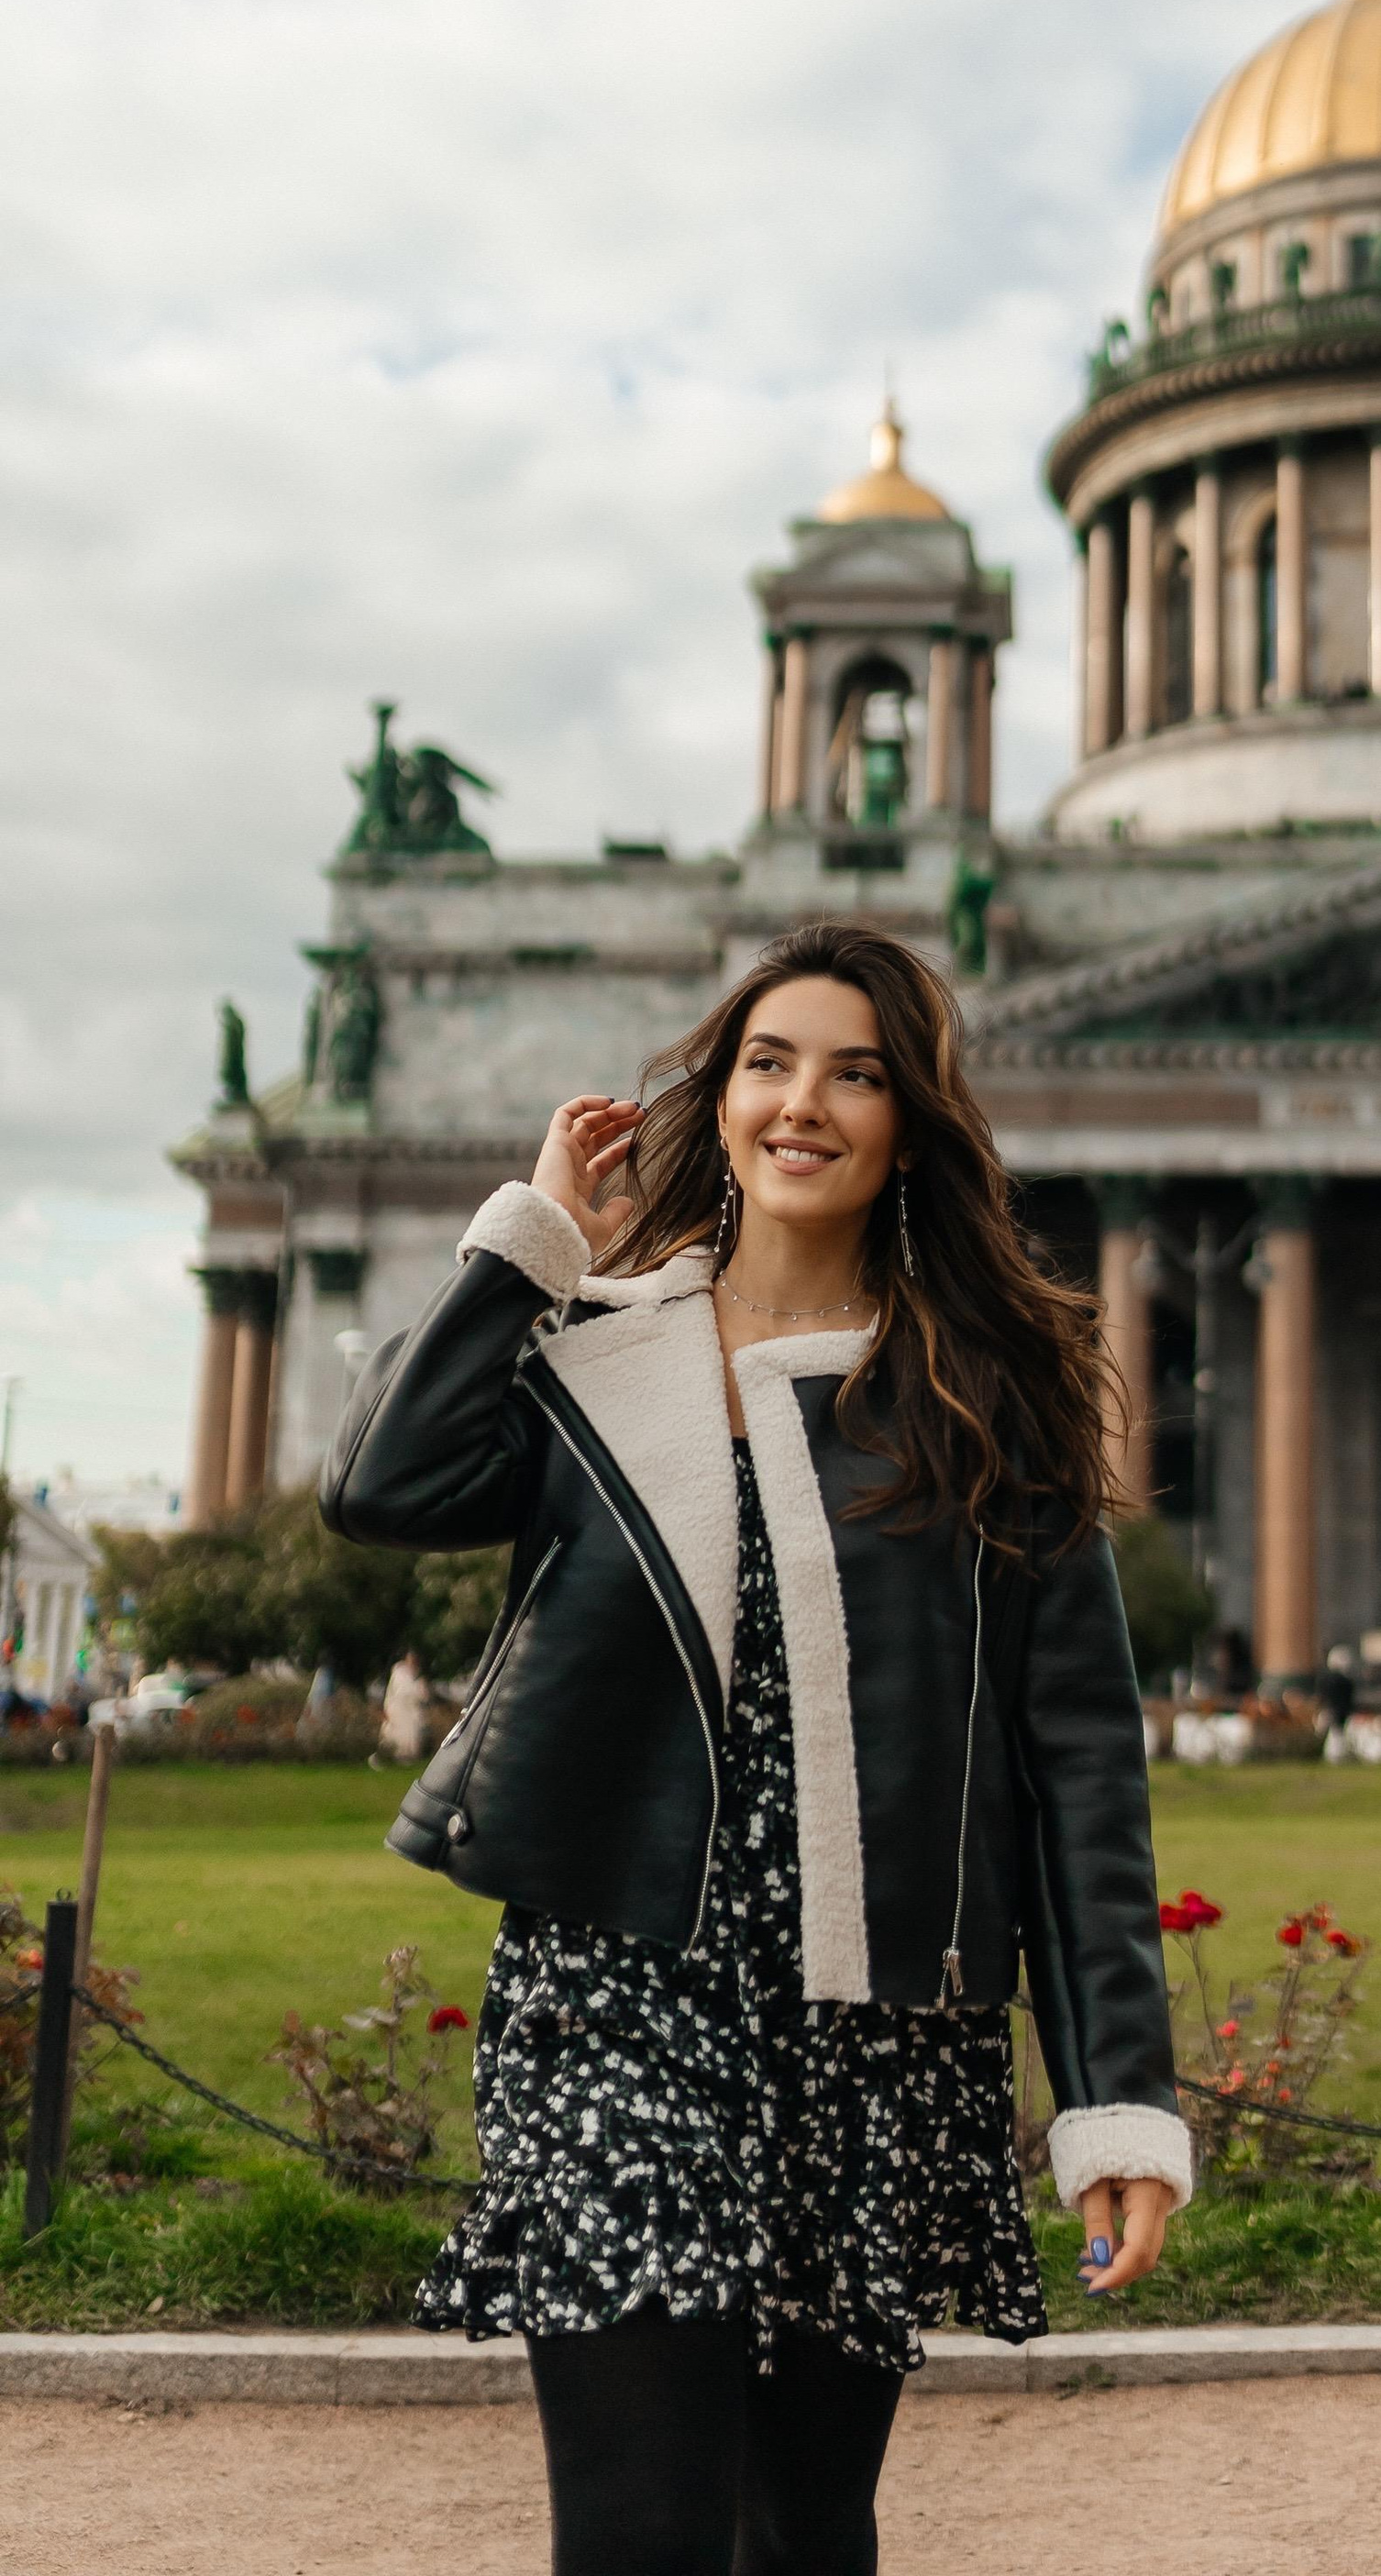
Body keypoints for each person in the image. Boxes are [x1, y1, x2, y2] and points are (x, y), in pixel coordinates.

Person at [322, 920, 1187, 2576]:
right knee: (641, 2528)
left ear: (908, 1124)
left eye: (857, 1075)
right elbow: (384, 1490)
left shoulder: (985, 1400)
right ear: (716, 1100)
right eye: (770, 1064)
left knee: (800, 2527)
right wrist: (527, 1247)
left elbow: (1078, 1764)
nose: (806, 1104)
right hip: (617, 1993)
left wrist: (1118, 2098)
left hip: (874, 2026)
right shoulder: (595, 1345)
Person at [377, 1649, 432, 1766]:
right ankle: (391, 1756)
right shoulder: (399, 1673)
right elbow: (400, 1692)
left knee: (411, 1734)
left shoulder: (416, 1676)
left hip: (410, 1712)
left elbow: (422, 1696)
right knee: (396, 1734)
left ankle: (407, 1757)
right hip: (398, 1710)